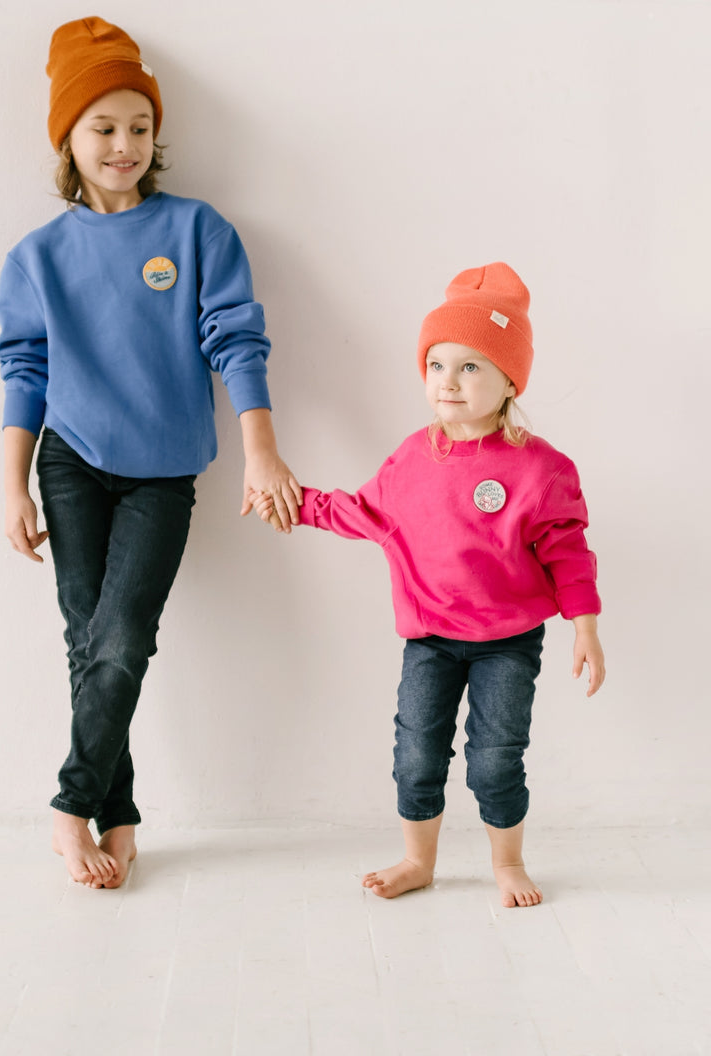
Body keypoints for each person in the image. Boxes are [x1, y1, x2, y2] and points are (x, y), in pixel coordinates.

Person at [0, 17, 301, 889]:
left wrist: (262, 452)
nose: (124, 144)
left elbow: (237, 341)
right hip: (71, 463)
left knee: (123, 636)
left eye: (139, 126)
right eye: (103, 127)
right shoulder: (37, 257)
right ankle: (117, 813)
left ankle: (69, 806)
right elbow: (24, 371)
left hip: (163, 472)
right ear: (68, 136)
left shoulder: (199, 232)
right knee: (87, 640)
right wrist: (12, 485)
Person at [254, 263, 604, 906]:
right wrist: (295, 501)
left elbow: (569, 551)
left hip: (508, 642)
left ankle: (508, 863)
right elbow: (365, 514)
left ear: (508, 382)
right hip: (430, 642)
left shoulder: (542, 469)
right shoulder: (414, 457)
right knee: (417, 755)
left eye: (471, 367)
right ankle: (419, 860)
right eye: (437, 365)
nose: (449, 381)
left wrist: (585, 626)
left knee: (496, 758)